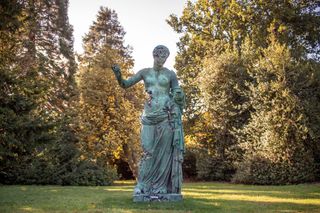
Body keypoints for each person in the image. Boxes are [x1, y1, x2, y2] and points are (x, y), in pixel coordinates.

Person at [112, 45, 185, 201]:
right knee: (148, 151)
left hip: (166, 116)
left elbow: (177, 92)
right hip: (149, 117)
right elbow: (125, 84)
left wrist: (178, 95)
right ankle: (142, 185)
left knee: (164, 154)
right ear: (154, 56)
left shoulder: (171, 74)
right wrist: (118, 75)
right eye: (159, 56)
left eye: (165, 57)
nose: (162, 59)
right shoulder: (144, 73)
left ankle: (161, 187)